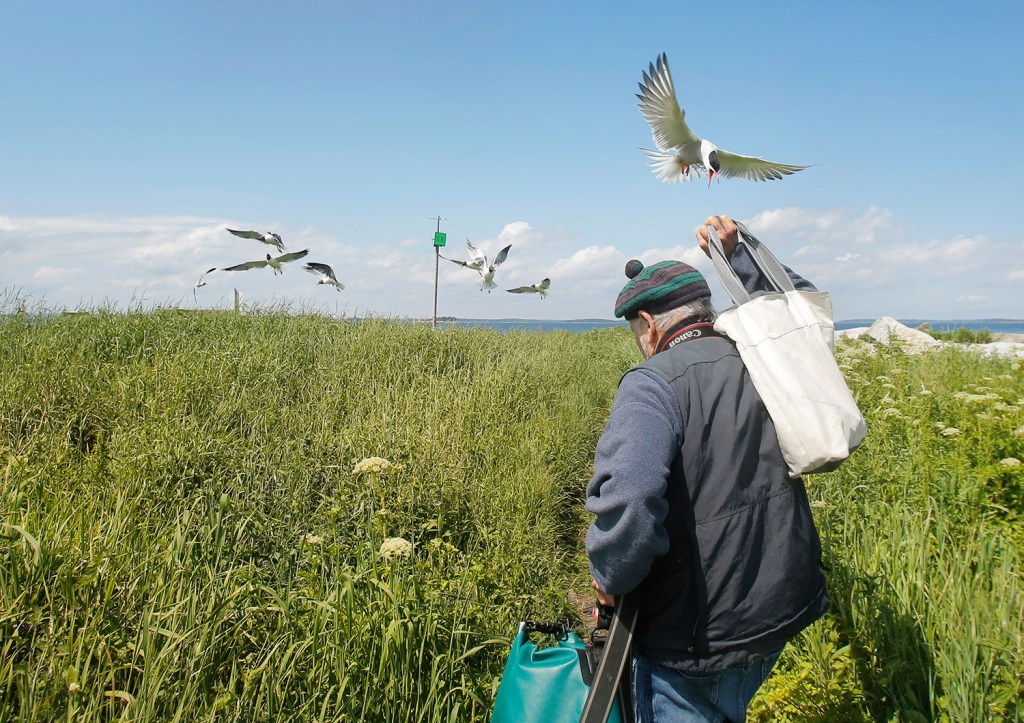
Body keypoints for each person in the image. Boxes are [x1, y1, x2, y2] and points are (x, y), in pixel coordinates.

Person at [586, 214, 830, 723]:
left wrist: (610, 578)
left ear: (649, 325)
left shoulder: (651, 384)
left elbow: (628, 501)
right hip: (781, 606)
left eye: (637, 332)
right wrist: (740, 254)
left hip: (697, 639)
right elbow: (802, 312)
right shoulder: (764, 358)